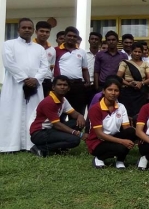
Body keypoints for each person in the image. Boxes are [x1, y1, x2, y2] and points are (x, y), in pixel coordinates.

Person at [0, 18, 50, 153]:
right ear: (18, 30)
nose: (27, 30)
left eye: (29, 28)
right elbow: (8, 63)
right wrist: (24, 78)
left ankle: (30, 144)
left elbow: (44, 66)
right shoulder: (9, 44)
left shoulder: (39, 48)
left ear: (33, 31)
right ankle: (10, 145)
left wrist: (36, 79)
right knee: (12, 113)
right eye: (24, 27)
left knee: (33, 114)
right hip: (15, 85)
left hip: (35, 86)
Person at [86, 76, 138, 169]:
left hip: (113, 137)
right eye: (110, 90)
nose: (113, 93)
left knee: (132, 132)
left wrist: (140, 136)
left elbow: (127, 128)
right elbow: (100, 134)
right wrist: (122, 141)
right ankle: (99, 158)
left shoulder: (121, 107)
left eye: (116, 90)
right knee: (121, 147)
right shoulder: (96, 108)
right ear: (103, 91)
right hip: (98, 142)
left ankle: (120, 160)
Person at [29, 75, 87, 157]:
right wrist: (78, 134)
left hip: (51, 129)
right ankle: (41, 148)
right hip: (39, 133)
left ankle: (60, 148)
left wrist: (80, 116)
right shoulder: (49, 102)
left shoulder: (63, 99)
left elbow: (74, 114)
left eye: (65, 85)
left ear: (69, 88)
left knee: (77, 122)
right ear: (53, 87)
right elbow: (57, 125)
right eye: (59, 85)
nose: (62, 87)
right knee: (75, 140)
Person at [54, 26, 90, 115]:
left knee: (78, 112)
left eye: (74, 36)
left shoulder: (81, 52)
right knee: (60, 112)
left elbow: (84, 69)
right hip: (62, 85)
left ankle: (76, 129)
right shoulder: (56, 51)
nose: (72, 38)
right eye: (69, 36)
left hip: (77, 85)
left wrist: (87, 81)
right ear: (65, 37)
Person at [117, 42, 149, 122]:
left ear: (142, 52)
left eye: (139, 52)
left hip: (141, 92)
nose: (137, 53)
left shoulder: (145, 64)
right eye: (135, 51)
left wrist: (142, 83)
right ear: (131, 51)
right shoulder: (125, 63)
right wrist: (129, 84)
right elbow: (118, 77)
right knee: (127, 114)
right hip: (127, 93)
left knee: (140, 114)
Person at [33, 21, 56, 97]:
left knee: (45, 105)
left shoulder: (52, 49)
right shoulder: (30, 46)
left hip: (47, 81)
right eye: (41, 31)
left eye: (47, 32)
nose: (44, 34)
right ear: (36, 32)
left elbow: (51, 67)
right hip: (33, 80)